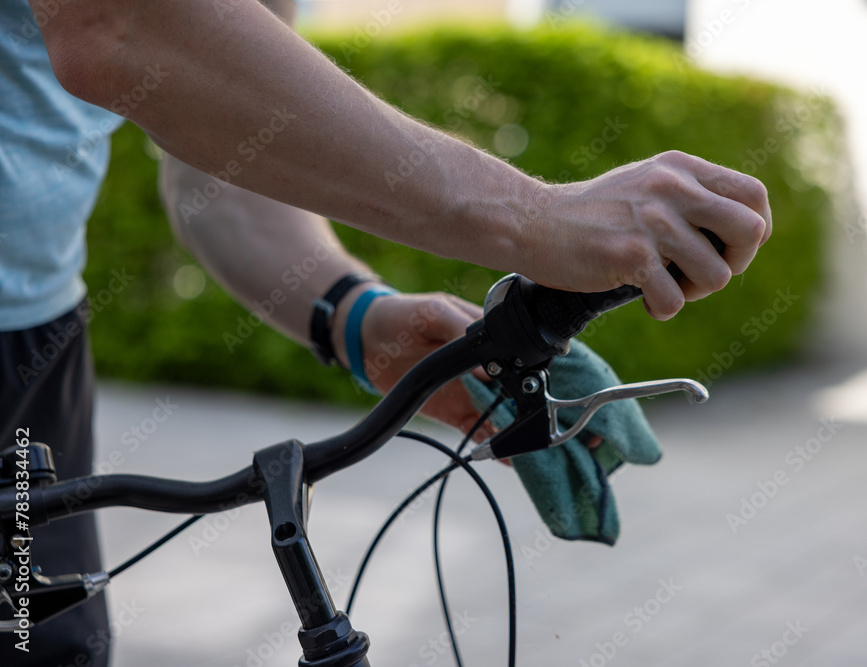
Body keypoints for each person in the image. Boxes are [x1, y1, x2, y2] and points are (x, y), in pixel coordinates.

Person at [0, 0, 771, 664]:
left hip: (39, 346)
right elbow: (118, 26)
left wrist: (354, 314)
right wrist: (531, 217)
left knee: (54, 645)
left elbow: (217, 167)